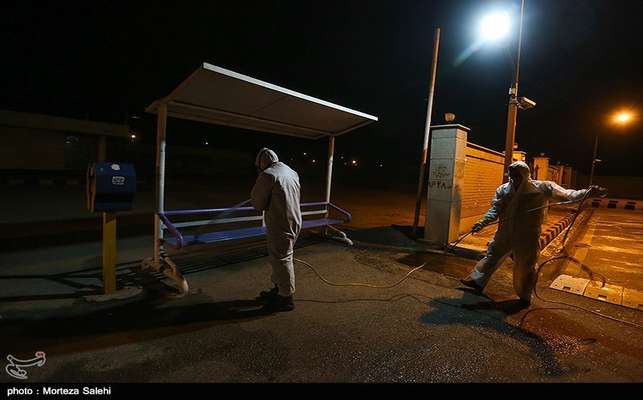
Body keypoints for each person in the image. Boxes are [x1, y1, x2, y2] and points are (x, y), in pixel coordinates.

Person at [460, 161, 606, 304]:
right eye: (512, 175)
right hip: (506, 232)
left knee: (525, 266)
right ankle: (476, 281)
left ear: (525, 174)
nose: (514, 178)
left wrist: (588, 192)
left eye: (517, 175)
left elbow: (568, 195)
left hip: (528, 235)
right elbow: (495, 209)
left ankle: (524, 295)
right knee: (492, 255)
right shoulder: (503, 190)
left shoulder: (543, 188)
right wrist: (483, 222)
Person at [251, 148, 302, 312]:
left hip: (280, 223)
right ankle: (279, 289)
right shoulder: (291, 172)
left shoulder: (267, 175)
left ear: (261, 164)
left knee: (281, 259)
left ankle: (286, 298)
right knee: (281, 258)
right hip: (294, 220)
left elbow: (258, 204)